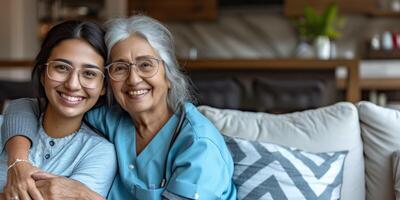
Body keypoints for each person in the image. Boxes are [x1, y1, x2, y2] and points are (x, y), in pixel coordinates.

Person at [1, 15, 236, 200]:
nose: (133, 79)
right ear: (108, 81)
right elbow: (27, 107)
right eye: (120, 68)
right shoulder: (113, 119)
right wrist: (18, 162)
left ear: (169, 74)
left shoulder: (198, 145)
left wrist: (84, 196)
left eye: (146, 65)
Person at [0, 20, 117, 200]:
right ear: (42, 74)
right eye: (61, 67)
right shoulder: (5, 125)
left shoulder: (99, 152)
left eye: (89, 73)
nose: (72, 84)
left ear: (103, 87)